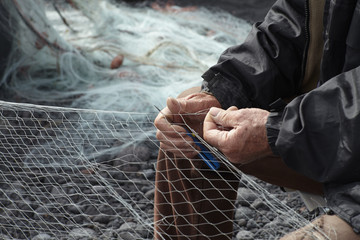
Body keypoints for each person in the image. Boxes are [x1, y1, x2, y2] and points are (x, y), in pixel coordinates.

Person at [154, 0, 360, 239]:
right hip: (328, 137)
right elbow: (285, 32)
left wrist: (278, 130)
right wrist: (220, 94)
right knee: (191, 126)